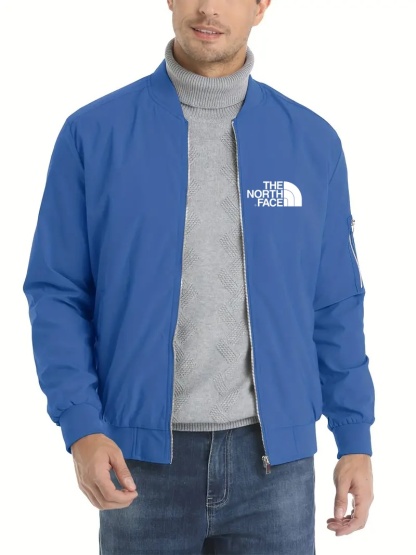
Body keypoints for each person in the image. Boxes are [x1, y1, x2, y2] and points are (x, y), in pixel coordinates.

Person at [22, 0, 375, 553]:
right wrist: (82, 425)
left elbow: (335, 304)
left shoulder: (311, 142)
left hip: (275, 468)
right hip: (139, 465)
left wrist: (355, 437)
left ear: (261, 6)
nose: (208, 8)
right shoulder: (93, 134)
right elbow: (58, 293)